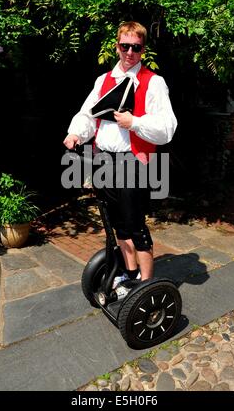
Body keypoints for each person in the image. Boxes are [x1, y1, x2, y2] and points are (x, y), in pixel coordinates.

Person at [64, 21, 177, 291]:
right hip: (104, 159)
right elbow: (87, 114)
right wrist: (76, 133)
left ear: (142, 50)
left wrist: (135, 122)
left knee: (135, 224)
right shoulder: (103, 81)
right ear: (117, 46)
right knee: (117, 224)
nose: (129, 52)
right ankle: (129, 273)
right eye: (125, 46)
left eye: (136, 48)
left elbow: (167, 128)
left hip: (134, 161)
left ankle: (146, 285)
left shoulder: (154, 83)